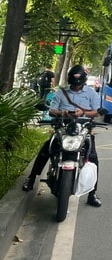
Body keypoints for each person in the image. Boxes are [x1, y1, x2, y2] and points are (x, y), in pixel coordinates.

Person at [22, 64, 103, 207]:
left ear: (83, 81)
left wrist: (82, 113)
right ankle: (31, 178)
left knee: (93, 158)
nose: (76, 87)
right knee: (47, 147)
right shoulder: (61, 92)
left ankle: (92, 193)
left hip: (83, 127)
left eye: (78, 85)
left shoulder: (91, 93)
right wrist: (62, 113)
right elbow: (52, 111)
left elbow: (96, 112)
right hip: (63, 125)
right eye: (73, 84)